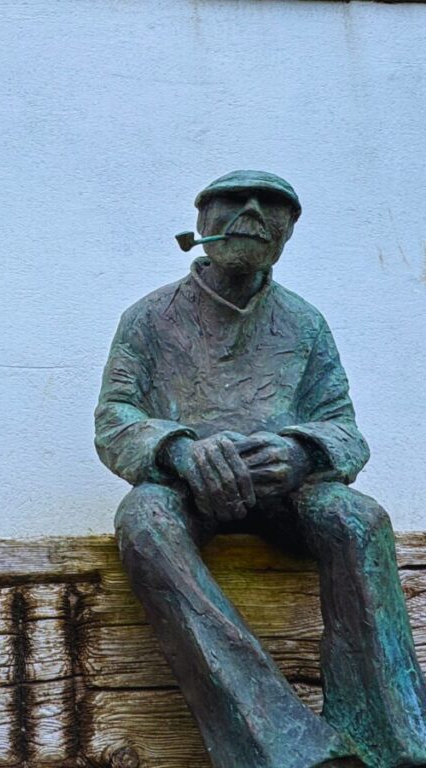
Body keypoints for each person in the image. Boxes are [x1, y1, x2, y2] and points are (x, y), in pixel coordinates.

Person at [94, 170, 426, 768]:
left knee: (358, 518)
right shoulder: (148, 319)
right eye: (234, 201)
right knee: (143, 518)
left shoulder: (304, 324)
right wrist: (180, 451)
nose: (251, 211)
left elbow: (342, 427)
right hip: (185, 490)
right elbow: (115, 419)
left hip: (286, 493)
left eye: (270, 205)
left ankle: (393, 738)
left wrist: (300, 452)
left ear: (288, 231)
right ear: (201, 221)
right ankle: (281, 742)